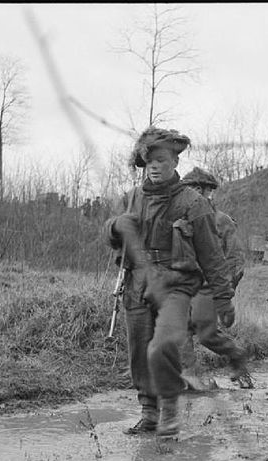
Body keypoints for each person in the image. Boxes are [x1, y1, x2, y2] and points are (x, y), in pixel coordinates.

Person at [103, 127, 235, 439]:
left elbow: (213, 257)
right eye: (149, 160)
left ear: (175, 161)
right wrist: (115, 226)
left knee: (162, 347)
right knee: (138, 351)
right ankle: (149, 412)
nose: (155, 166)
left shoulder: (193, 203)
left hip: (175, 286)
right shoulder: (129, 200)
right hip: (136, 285)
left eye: (162, 159)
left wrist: (223, 298)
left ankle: (170, 407)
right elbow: (107, 235)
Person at [180, 167, 252, 388]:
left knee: (205, 333)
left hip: (209, 286)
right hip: (183, 286)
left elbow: (235, 259)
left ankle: (237, 354)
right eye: (186, 190)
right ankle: (189, 377)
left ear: (206, 192)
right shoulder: (179, 221)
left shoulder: (221, 221)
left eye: (195, 190)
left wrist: (224, 292)